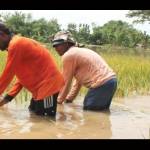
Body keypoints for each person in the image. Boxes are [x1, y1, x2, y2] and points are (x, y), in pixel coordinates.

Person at [0, 22, 64, 117]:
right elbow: (21, 79)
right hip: (40, 90)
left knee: (45, 122)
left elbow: (8, 74)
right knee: (33, 115)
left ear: (1, 35)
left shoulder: (16, 44)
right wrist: (7, 99)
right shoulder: (16, 45)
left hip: (48, 87)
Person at [51, 31, 117, 111]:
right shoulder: (78, 52)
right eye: (54, 45)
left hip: (101, 84)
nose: (55, 48)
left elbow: (65, 82)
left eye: (58, 45)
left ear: (67, 44)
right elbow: (78, 82)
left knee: (90, 112)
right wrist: (69, 99)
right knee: (100, 113)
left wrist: (59, 101)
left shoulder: (69, 55)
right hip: (111, 82)